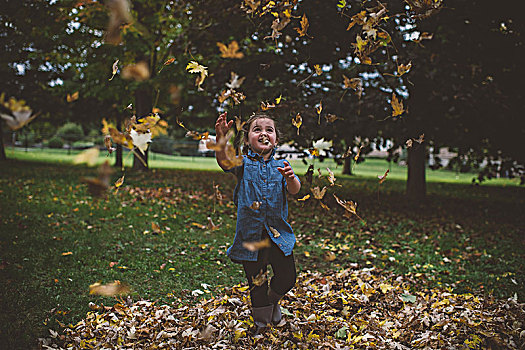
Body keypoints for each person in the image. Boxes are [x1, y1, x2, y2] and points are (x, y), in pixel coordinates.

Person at [214, 111, 301, 335]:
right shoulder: (243, 164)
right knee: (257, 282)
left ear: (276, 139)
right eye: (257, 129)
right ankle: (262, 325)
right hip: (251, 235)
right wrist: (221, 136)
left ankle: (273, 302)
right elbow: (224, 162)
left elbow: (295, 190)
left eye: (269, 130)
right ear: (247, 140)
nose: (263, 133)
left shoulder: (282, 165)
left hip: (278, 235)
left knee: (288, 276)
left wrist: (291, 178)